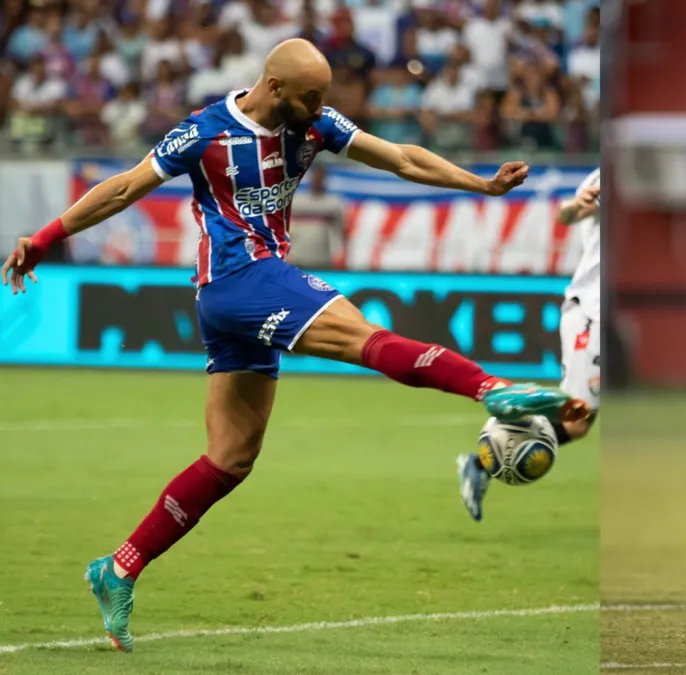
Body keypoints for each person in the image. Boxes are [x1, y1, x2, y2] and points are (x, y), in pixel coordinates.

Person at [1, 38, 587, 653]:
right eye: (311, 97)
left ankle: (117, 568)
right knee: (370, 338)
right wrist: (44, 239)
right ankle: (493, 390)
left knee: (230, 459)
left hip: (233, 299)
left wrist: (480, 185)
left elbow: (402, 160)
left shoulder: (316, 123)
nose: (321, 108)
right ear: (275, 87)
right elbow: (124, 188)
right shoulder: (203, 133)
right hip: (242, 278)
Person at [457, 167, 601, 521]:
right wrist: (578, 204)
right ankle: (483, 458)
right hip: (592, 310)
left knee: (585, 419)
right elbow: (567, 214)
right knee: (577, 417)